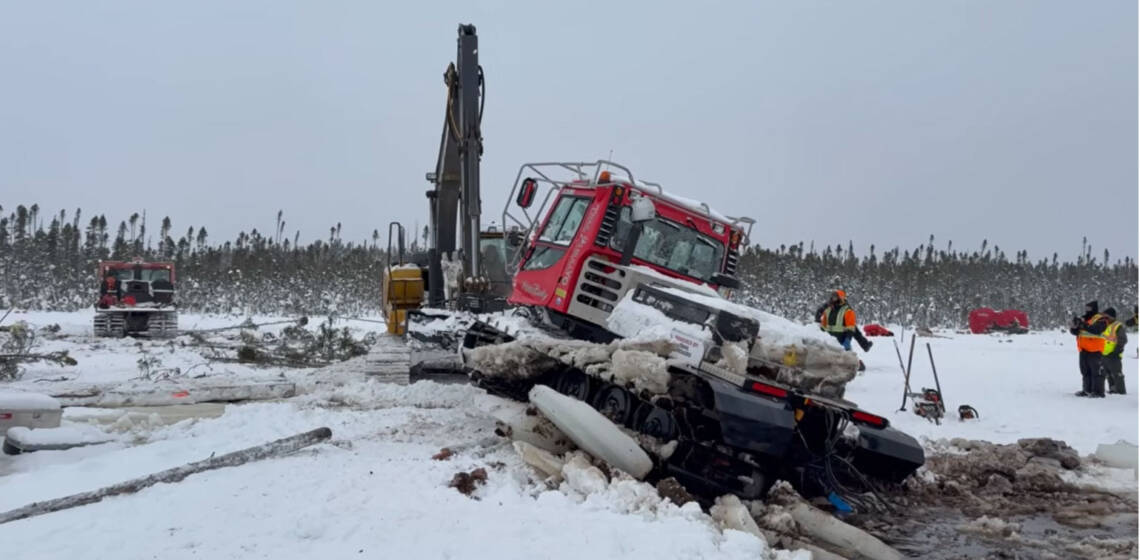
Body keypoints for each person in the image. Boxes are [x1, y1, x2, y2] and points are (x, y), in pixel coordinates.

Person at [1070, 300, 1110, 398]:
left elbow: (1096, 330)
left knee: (1097, 372)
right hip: (1083, 349)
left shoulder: (1101, 319)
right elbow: (1076, 332)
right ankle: (1087, 390)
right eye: (1086, 308)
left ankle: (1098, 392)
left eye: (1089, 308)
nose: (1087, 310)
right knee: (1085, 371)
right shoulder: (1084, 318)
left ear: (1094, 308)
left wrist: (1083, 325)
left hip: (1096, 350)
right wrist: (1074, 326)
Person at [1101, 307, 1128, 395]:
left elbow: (1123, 340)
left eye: (1106, 316)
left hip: (1114, 355)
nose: (1104, 318)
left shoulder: (1117, 326)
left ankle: (1120, 391)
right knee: (1108, 374)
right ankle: (1113, 389)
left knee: (1117, 374)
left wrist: (1116, 352)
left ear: (1112, 316)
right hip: (1104, 354)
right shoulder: (1105, 325)